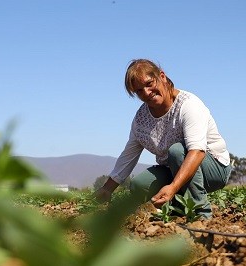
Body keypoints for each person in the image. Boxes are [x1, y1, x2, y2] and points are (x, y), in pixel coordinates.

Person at [95, 59, 231, 218]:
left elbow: (198, 151)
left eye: (149, 84)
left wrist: (173, 187)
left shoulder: (188, 105)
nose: (146, 92)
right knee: (141, 184)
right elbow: (129, 155)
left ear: (162, 76)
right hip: (175, 168)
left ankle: (200, 215)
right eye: (139, 91)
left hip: (214, 167)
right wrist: (107, 189)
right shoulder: (141, 119)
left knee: (177, 150)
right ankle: (176, 210)